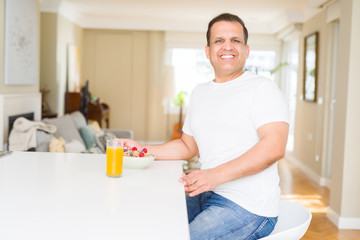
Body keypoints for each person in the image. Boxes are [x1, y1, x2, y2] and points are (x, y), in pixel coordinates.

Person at [122, 13, 289, 240]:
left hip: (248, 207)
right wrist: (141, 148)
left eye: (235, 40)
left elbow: (274, 147)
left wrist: (214, 176)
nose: (227, 46)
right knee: (151, 219)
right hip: (205, 192)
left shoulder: (262, 89)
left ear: (246, 51)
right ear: (208, 51)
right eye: (219, 41)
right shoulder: (200, 92)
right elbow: (186, 146)